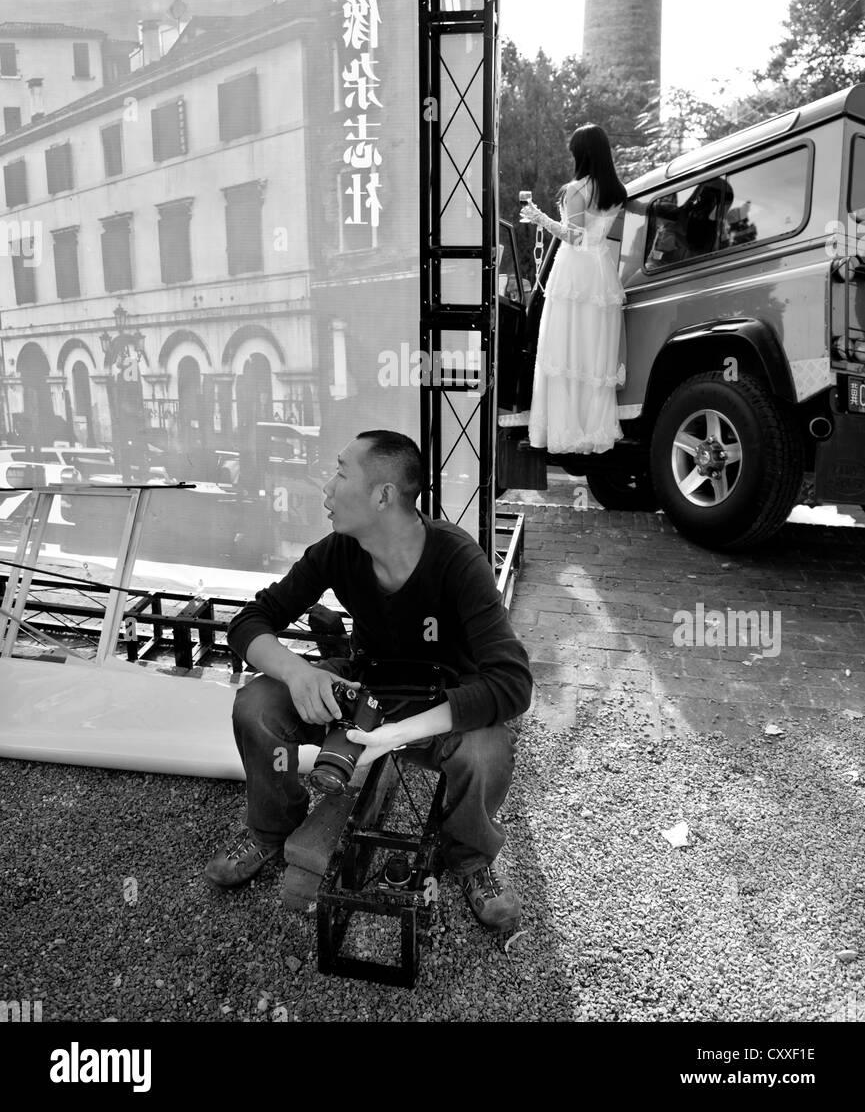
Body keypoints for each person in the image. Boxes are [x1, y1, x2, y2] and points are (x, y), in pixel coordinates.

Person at [206, 429, 533, 931]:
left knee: (486, 753)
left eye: (340, 472)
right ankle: (271, 831)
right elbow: (249, 621)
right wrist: (298, 673)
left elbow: (512, 683)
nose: (326, 489)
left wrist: (394, 737)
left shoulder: (456, 559)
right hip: (365, 687)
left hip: (440, 700)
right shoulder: (339, 550)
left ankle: (470, 859)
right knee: (257, 706)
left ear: (383, 496)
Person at [519, 123, 629, 454]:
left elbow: (574, 236)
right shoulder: (617, 192)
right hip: (602, 272)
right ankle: (593, 428)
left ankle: (564, 429)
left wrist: (538, 217)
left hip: (574, 272)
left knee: (564, 347)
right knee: (593, 352)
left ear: (581, 154)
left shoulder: (576, 190)